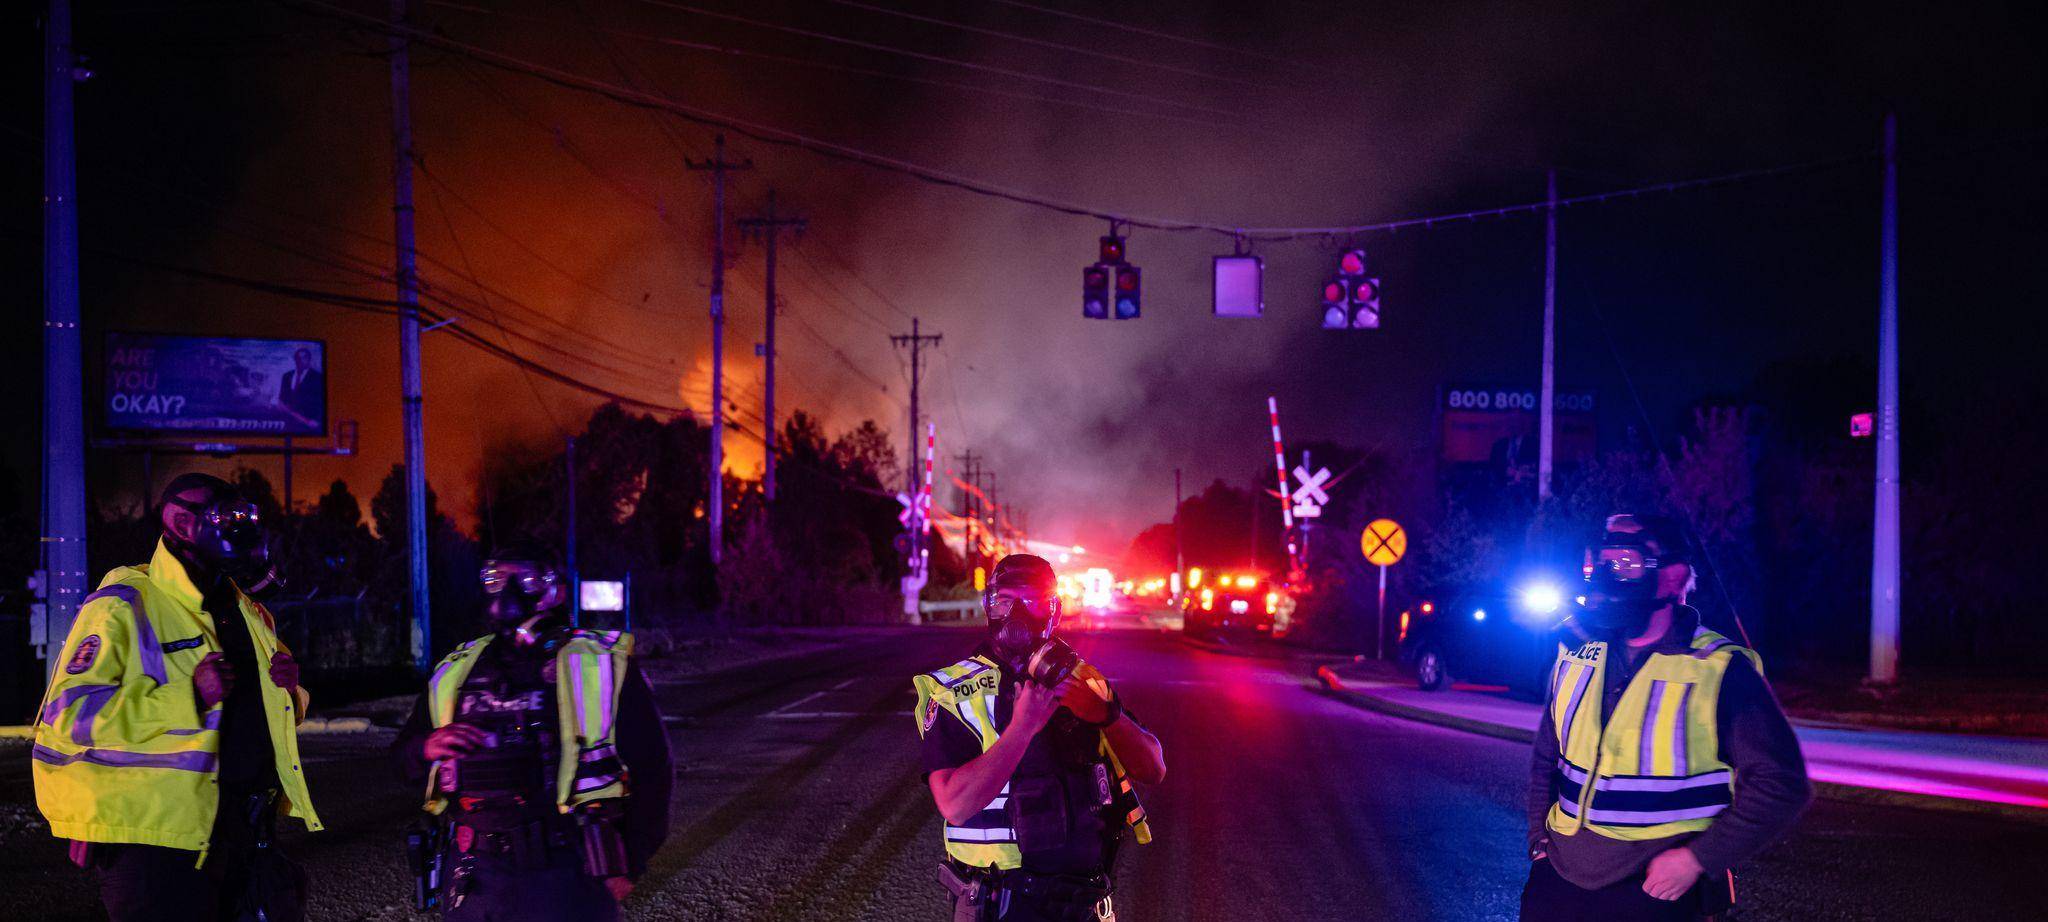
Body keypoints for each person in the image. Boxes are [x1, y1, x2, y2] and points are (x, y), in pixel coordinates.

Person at [33, 472, 320, 921]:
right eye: (228, 516)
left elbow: (268, 706)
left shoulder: (247, 609)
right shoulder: (124, 602)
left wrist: (290, 690)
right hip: (156, 850)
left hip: (244, 836)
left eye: (246, 516)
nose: (240, 526)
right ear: (182, 524)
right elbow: (70, 712)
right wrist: (187, 696)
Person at [1522, 514, 1812, 921]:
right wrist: (1539, 842)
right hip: (1558, 885)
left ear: (1674, 577)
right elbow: (1546, 758)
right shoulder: (1577, 648)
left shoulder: (1718, 669)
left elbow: (1782, 783)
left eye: (1626, 562)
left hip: (1656, 895)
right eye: (1602, 562)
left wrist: (1696, 860)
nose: (1609, 575)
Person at [392, 544, 671, 920]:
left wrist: (631, 862)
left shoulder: (600, 663)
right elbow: (399, 760)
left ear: (555, 588)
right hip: (476, 873)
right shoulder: (458, 668)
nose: (506, 591)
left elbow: (654, 769)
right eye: (494, 578)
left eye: (524, 578)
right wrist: (426, 747)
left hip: (567, 868)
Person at [917, 554, 1166, 922]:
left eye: (1033, 600)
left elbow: (1154, 768)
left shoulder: (1081, 678)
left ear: (1055, 609)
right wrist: (1022, 728)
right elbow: (954, 804)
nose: (1018, 613)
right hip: (996, 907)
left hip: (1085, 905)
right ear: (989, 606)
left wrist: (1108, 716)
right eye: (1005, 600)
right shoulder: (953, 690)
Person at [275, 348, 323, 429]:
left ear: (309, 359)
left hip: (309, 422)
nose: (300, 360)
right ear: (295, 359)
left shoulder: (318, 377)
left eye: (304, 357)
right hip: (288, 421)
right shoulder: (287, 376)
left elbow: (320, 401)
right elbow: (282, 398)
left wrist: (316, 420)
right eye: (298, 358)